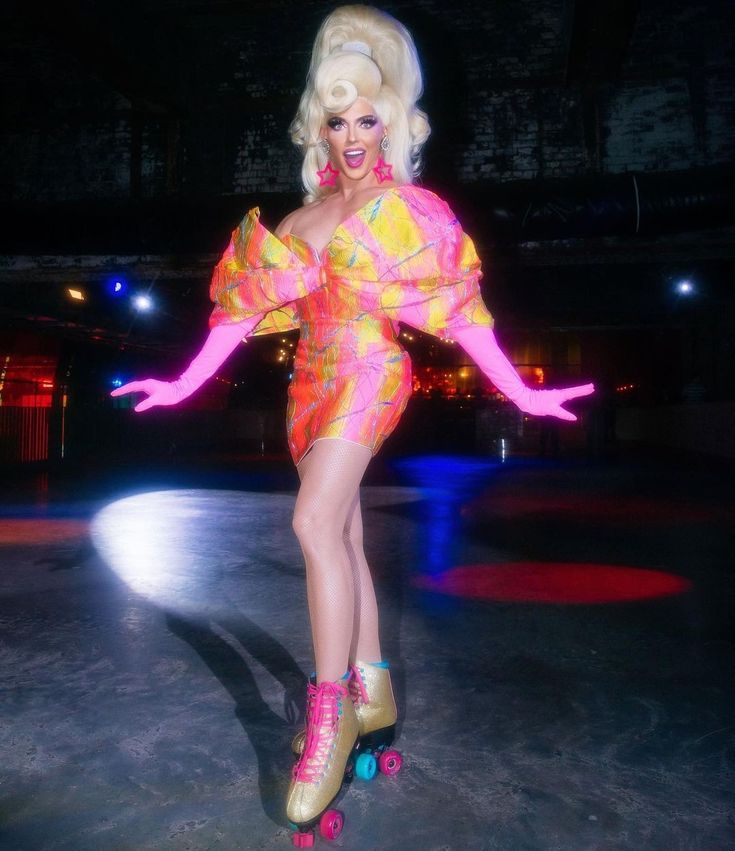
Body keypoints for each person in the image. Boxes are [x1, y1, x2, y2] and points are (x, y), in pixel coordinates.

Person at [112, 5, 594, 844]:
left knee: (308, 521)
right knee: (338, 531)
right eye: (336, 120)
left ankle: (329, 713)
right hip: (308, 383)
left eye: (367, 117)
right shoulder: (297, 224)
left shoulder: (405, 212)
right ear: (320, 131)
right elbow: (235, 316)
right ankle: (373, 682)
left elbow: (460, 313)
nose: (352, 134)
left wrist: (519, 390)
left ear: (392, 124)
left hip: (372, 370)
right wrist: (182, 380)